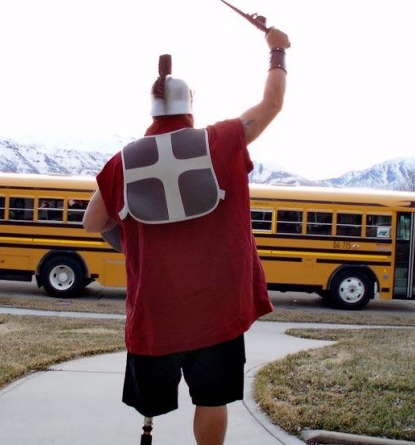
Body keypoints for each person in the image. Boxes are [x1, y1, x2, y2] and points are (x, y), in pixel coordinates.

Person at [83, 27, 290, 444]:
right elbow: (272, 104)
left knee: (151, 406)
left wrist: (127, 236)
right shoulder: (219, 141)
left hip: (155, 316)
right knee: (212, 400)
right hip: (217, 312)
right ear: (190, 105)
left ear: (152, 108)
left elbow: (92, 222)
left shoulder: (123, 161)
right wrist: (278, 51)